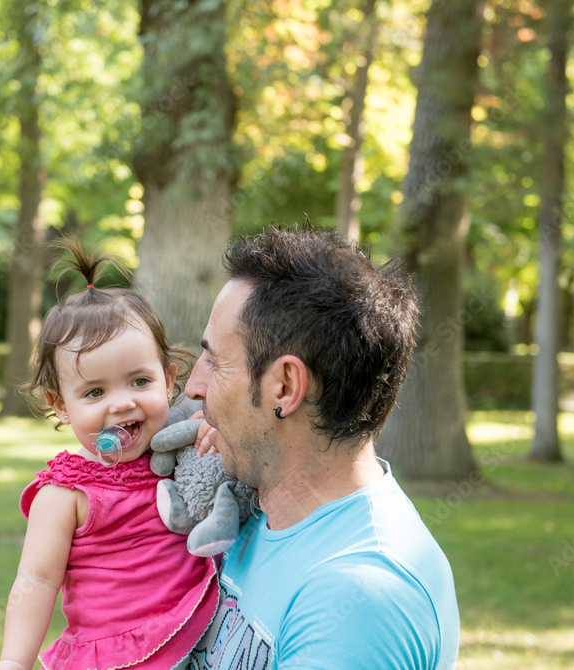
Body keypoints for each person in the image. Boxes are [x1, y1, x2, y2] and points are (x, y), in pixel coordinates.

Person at [181, 225, 460, 669]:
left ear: (285, 386)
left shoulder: (359, 596)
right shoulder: (246, 512)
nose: (194, 387)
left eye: (215, 361)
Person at [0, 242, 219, 670]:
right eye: (95, 392)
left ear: (168, 380)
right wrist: (14, 661)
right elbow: (37, 580)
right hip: (117, 657)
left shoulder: (179, 447)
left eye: (139, 381)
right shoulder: (64, 494)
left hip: (199, 636)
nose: (121, 404)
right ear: (60, 405)